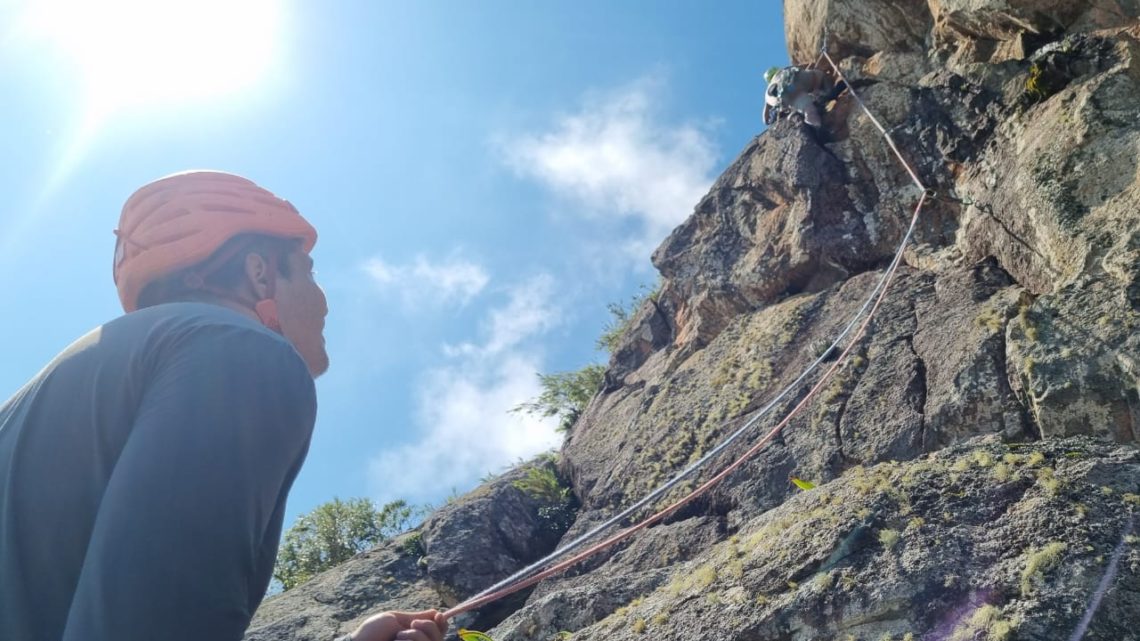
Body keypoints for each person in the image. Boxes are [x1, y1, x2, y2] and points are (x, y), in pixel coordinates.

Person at [0, 171, 446, 641]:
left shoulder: (44, 398)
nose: (324, 302)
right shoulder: (239, 352)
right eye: (310, 271)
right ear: (260, 273)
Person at [763, 65, 846, 128]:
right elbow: (809, 65)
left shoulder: (769, 92)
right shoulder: (786, 69)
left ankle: (816, 125)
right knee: (821, 78)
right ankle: (831, 92)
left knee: (809, 110)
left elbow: (765, 119)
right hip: (805, 79)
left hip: (789, 95)